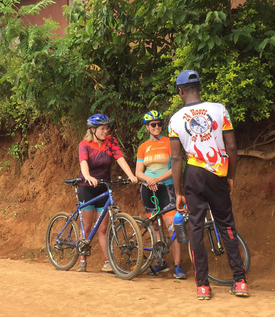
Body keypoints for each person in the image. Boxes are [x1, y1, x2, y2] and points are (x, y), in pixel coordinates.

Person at [169, 70, 248, 300]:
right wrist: (230, 176)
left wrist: (178, 192)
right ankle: (240, 281)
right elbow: (232, 147)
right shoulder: (219, 109)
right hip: (218, 174)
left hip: (193, 175)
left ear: (180, 91)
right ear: (200, 88)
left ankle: (202, 286)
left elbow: (176, 159)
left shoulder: (175, 119)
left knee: (195, 227)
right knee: (226, 226)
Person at [77, 114, 138, 272]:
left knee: (103, 228)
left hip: (104, 186)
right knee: (88, 226)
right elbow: (83, 163)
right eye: (102, 128)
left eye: (107, 128)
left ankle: (107, 262)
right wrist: (88, 176)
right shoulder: (84, 144)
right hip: (87, 187)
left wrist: (131, 175)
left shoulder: (110, 141)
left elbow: (120, 158)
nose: (106, 131)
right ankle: (82, 259)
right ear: (93, 130)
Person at [135, 110, 187, 279]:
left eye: (159, 124)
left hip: (167, 188)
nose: (157, 127)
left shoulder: (169, 142)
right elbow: (138, 172)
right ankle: (161, 262)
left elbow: (175, 168)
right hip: (148, 189)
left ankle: (178, 265)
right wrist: (150, 181)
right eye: (153, 125)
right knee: (155, 227)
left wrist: (157, 179)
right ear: (147, 127)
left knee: (172, 227)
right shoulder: (143, 147)